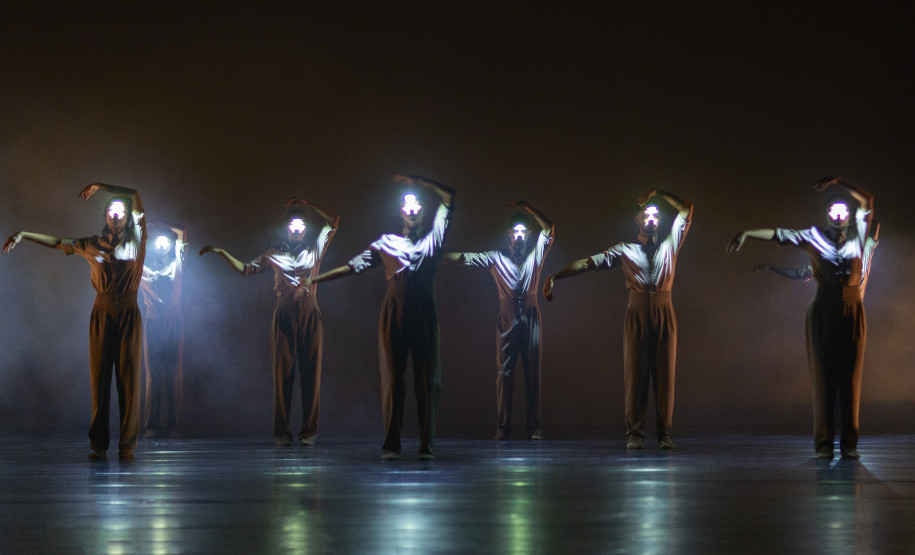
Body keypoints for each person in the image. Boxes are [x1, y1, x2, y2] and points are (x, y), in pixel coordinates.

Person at [728, 178, 877, 459]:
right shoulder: (813, 236)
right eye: (833, 210)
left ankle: (849, 445)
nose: (838, 215)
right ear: (826, 214)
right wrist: (748, 233)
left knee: (850, 380)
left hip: (852, 308)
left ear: (848, 214)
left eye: (843, 210)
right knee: (824, 379)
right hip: (824, 308)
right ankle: (824, 445)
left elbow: (867, 201)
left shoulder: (858, 234)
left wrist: (839, 182)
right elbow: (779, 235)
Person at [308, 175, 455, 461]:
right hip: (394, 309)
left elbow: (449, 197)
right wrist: (316, 279)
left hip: (424, 310)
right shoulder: (387, 242)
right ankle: (391, 444)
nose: (412, 210)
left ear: (423, 211)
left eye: (417, 206)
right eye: (407, 206)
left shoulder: (434, 237)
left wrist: (418, 181)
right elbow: (354, 266)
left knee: (428, 380)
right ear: (400, 212)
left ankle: (426, 445)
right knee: (393, 379)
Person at [4, 183, 147, 461]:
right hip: (102, 312)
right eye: (110, 210)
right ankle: (98, 444)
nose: (115, 214)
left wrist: (100, 186)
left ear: (129, 217)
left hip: (129, 312)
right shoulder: (91, 244)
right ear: (105, 217)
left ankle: (127, 445)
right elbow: (58, 242)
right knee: (100, 380)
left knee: (129, 380)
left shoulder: (137, 239)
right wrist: (24, 234)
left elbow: (133, 194)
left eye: (120, 211)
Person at [543, 189, 693, 450]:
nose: (651, 218)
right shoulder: (625, 249)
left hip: (664, 309)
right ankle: (634, 433)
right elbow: (588, 263)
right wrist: (555, 275)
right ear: (637, 219)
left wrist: (659, 192)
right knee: (635, 373)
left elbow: (687, 209)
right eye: (646, 214)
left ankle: (664, 434)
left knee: (665, 375)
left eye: (656, 215)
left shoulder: (670, 244)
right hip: (637, 311)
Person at [199, 198, 339, 447]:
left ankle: (309, 432)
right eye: (293, 224)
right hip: (284, 313)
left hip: (310, 312)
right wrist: (221, 253)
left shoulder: (315, 248)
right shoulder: (274, 253)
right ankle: (282, 433)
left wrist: (308, 204)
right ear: (287, 228)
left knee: (311, 373)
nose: (297, 229)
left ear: (306, 229)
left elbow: (334, 220)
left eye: (301, 225)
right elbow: (246, 269)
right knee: (283, 374)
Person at [444, 202, 554, 440]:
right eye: (515, 230)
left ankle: (534, 427)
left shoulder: (536, 255)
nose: (520, 235)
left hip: (531, 315)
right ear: (509, 233)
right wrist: (437, 257)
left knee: (532, 373)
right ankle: (503, 427)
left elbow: (549, 228)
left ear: (529, 233)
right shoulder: (496, 257)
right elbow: (465, 258)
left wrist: (530, 209)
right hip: (507, 316)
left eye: (524, 231)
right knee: (504, 373)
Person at [140, 223, 188, 439]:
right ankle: (151, 425)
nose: (161, 246)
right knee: (153, 375)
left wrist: (161, 227)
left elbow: (182, 234)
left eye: (165, 242)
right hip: (153, 322)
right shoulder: (143, 266)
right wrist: (148, 232)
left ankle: (174, 425)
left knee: (173, 374)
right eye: (157, 243)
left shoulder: (177, 262)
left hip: (173, 321)